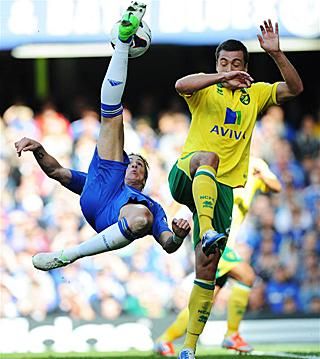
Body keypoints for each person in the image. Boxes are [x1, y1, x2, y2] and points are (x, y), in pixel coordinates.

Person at [15, 1, 190, 271]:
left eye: (139, 165)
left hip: (118, 218)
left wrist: (178, 235)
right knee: (111, 120)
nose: (133, 163)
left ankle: (70, 254)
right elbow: (57, 172)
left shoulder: (152, 207)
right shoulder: (107, 173)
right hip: (103, 187)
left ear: (144, 178)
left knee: (142, 217)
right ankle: (123, 43)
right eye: (133, 160)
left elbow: (168, 243)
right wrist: (39, 148)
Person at [168, 19, 303, 359]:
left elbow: (295, 88)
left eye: (236, 64)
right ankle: (208, 228)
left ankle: (187, 347)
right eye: (223, 63)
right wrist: (220, 78)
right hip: (187, 172)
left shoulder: (254, 94)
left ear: (246, 67)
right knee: (208, 157)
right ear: (217, 65)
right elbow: (180, 83)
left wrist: (276, 54)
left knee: (207, 272)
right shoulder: (205, 90)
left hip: (223, 191)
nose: (229, 68)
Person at [155, 157, 282, 356]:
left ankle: (165, 339)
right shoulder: (215, 163)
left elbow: (276, 188)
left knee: (204, 301)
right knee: (246, 276)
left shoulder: (255, 165)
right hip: (213, 238)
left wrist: (263, 175)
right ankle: (231, 334)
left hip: (226, 243)